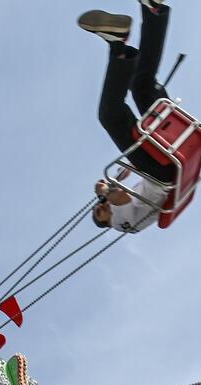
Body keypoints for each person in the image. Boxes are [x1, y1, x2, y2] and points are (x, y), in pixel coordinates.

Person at [79, 3, 180, 233]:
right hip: (162, 174)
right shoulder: (120, 224)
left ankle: (153, 13)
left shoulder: (124, 216)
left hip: (163, 165)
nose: (101, 207)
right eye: (100, 212)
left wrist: (129, 171)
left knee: (142, 85)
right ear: (106, 222)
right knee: (110, 116)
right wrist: (104, 193)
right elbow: (122, 198)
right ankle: (119, 48)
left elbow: (131, 195)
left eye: (98, 208)